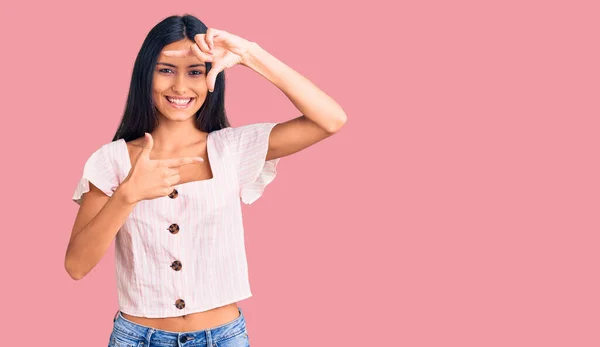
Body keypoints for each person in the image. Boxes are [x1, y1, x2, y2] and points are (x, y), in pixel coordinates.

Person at [64, 14, 346, 347]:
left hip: (224, 337)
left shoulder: (233, 148)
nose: (180, 87)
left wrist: (250, 54)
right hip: (137, 338)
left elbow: (330, 120)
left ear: (212, 75)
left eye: (195, 71)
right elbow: (76, 266)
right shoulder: (110, 160)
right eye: (166, 70)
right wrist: (127, 195)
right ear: (145, 75)